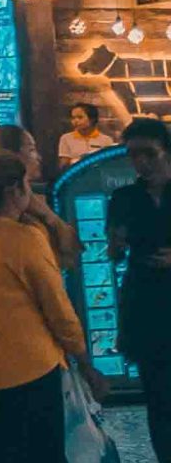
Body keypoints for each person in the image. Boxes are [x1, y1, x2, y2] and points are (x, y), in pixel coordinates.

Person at [0, 149, 103, 462]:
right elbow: (58, 310)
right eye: (28, 185)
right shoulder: (25, 240)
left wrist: (38, 210)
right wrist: (87, 365)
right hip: (32, 369)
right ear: (15, 191)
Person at [110, 117, 171, 459]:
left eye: (149, 154)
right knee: (158, 394)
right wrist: (115, 244)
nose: (141, 163)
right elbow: (116, 247)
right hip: (147, 303)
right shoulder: (125, 197)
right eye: (133, 155)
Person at [0, 125, 82, 266]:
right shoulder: (23, 216)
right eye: (31, 150)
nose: (38, 157)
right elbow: (68, 257)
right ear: (12, 157)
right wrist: (49, 216)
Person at [58, 102, 117, 166]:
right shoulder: (66, 138)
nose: (75, 121)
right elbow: (64, 165)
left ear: (92, 119)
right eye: (73, 118)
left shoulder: (106, 140)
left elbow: (110, 163)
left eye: (80, 117)